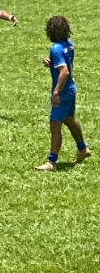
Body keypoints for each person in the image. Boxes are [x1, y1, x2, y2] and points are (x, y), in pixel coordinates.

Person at [36, 15, 90, 170]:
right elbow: (63, 64)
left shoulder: (56, 48)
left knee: (55, 124)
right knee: (70, 120)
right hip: (71, 89)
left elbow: (64, 71)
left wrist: (56, 92)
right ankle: (82, 148)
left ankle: (51, 162)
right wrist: (52, 64)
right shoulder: (68, 45)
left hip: (64, 92)